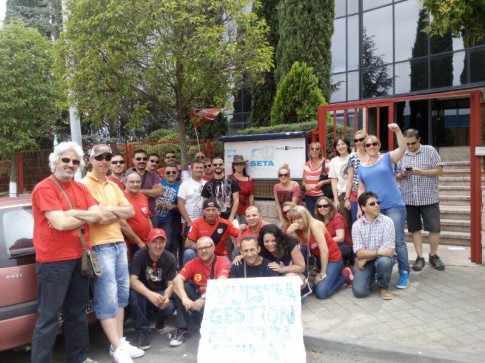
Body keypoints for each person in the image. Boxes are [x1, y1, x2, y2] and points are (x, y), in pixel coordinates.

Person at [31, 141, 102, 363]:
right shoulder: (45, 188)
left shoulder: (80, 187)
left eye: (75, 161)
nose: (70, 165)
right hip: (53, 262)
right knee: (49, 318)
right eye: (66, 160)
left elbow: (98, 215)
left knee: (77, 313)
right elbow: (59, 224)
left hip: (79, 259)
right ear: (55, 161)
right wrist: (82, 216)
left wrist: (71, 213)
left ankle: (78, 358)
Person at [83, 144, 143, 362]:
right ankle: (117, 347)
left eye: (108, 157)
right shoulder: (83, 185)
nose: (105, 161)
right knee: (106, 297)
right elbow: (96, 217)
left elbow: (130, 211)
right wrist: (112, 213)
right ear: (91, 159)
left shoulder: (114, 185)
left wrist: (108, 211)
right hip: (99, 246)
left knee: (120, 296)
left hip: (118, 243)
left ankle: (118, 342)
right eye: (100, 157)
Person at [357, 123, 411, 289]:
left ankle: (404, 272)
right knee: (377, 241)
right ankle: (382, 269)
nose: (371, 146)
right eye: (368, 144)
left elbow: (402, 149)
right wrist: (360, 207)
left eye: (374, 144)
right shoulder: (361, 167)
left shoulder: (387, 158)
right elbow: (361, 188)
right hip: (374, 209)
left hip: (394, 205)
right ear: (364, 148)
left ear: (379, 146)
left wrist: (397, 131)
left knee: (398, 240)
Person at [397, 128, 445, 271]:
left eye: (413, 143)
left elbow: (440, 171)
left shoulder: (429, 150)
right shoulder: (401, 153)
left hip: (429, 198)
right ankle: (420, 257)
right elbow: (395, 175)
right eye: (407, 144)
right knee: (414, 229)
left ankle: (434, 255)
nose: (410, 146)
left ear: (419, 140)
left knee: (434, 228)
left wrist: (421, 172)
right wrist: (403, 174)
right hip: (409, 199)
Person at [171, 237, 230, 347]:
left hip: (215, 303)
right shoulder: (193, 263)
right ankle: (182, 328)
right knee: (181, 287)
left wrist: (203, 298)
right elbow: (177, 280)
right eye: (200, 248)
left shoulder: (222, 261)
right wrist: (185, 299)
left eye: (206, 247)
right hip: (198, 303)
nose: (203, 251)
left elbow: (221, 283)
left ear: (213, 247)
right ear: (196, 250)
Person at [129, 229, 176, 350]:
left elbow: (172, 284)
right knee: (133, 296)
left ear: (165, 243)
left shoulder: (170, 258)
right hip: (143, 292)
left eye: (161, 242)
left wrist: (166, 296)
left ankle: (161, 319)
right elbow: (132, 280)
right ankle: (143, 331)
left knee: (170, 305)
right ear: (148, 243)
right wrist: (149, 294)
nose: (158, 246)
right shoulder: (140, 255)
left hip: (160, 292)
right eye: (154, 242)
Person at [286, 206, 347, 299]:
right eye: (293, 219)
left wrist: (322, 274)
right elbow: (294, 249)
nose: (296, 222)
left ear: (305, 216)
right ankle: (332, 276)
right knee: (313, 287)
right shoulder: (297, 230)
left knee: (321, 293)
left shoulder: (314, 225)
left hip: (333, 259)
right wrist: (289, 232)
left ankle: (345, 275)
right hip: (317, 260)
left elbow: (324, 251)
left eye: (299, 218)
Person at [352, 192, 395, 300]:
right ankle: (371, 277)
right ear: (363, 208)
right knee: (359, 292)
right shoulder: (356, 226)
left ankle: (384, 287)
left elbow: (388, 251)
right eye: (372, 203)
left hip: (381, 259)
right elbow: (359, 252)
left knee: (384, 261)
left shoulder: (387, 222)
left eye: (378, 202)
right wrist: (377, 253)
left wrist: (365, 258)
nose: (377, 205)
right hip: (367, 259)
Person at [183, 198, 239, 264]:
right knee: (188, 253)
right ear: (203, 211)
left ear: (218, 211)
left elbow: (240, 234)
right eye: (208, 210)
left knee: (230, 267)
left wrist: (245, 227)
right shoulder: (197, 223)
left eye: (213, 210)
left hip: (220, 256)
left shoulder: (225, 223)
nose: (211, 213)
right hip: (202, 255)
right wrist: (204, 248)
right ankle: (188, 273)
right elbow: (187, 243)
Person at [120, 169, 152, 261]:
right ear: (125, 182)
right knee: (134, 271)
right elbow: (123, 225)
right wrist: (139, 242)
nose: (135, 184)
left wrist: (152, 237)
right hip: (132, 243)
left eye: (138, 182)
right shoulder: (121, 198)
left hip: (147, 242)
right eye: (132, 182)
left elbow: (147, 218)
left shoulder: (142, 196)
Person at [314, 196, 354, 267]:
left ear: (330, 207)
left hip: (343, 246)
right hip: (329, 245)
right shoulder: (319, 219)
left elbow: (340, 238)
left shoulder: (337, 217)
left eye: (325, 206)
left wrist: (322, 242)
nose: (322, 208)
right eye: (319, 206)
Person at [201, 156, 240, 221]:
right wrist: (208, 217)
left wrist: (231, 217)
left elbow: (236, 200)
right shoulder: (208, 185)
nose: (218, 166)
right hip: (213, 220)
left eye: (220, 164)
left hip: (230, 218)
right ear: (212, 166)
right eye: (215, 165)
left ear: (224, 165)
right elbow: (204, 203)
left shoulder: (232, 181)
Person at [132, 149, 164, 226]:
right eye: (138, 159)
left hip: (151, 216)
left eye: (144, 159)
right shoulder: (129, 174)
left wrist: (138, 191)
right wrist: (151, 192)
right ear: (133, 160)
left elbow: (160, 192)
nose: (142, 161)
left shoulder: (154, 175)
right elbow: (128, 193)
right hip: (133, 216)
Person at [177, 158, 206, 239]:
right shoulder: (185, 184)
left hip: (204, 222)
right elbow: (180, 204)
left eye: (201, 167)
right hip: (190, 222)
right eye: (196, 168)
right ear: (192, 169)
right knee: (189, 249)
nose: (199, 170)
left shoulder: (207, 184)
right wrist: (188, 221)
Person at [344, 130, 368, 224]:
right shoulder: (353, 158)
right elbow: (350, 180)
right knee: (357, 222)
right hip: (355, 194)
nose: (358, 142)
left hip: (371, 192)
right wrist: (346, 198)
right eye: (356, 140)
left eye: (361, 139)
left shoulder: (373, 155)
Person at [156, 162, 180, 254]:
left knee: (167, 244)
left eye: (173, 172)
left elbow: (183, 205)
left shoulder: (180, 187)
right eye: (168, 172)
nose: (171, 174)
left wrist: (174, 206)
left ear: (177, 173)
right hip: (154, 219)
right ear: (164, 174)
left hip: (167, 220)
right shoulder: (158, 183)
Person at [302, 142, 331, 217]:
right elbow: (303, 181)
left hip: (321, 196)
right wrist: (305, 185)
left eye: (317, 149)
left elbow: (334, 179)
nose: (314, 150)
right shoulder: (306, 165)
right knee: (312, 217)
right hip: (309, 196)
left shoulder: (327, 163)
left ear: (320, 151)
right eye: (312, 149)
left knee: (323, 217)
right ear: (309, 151)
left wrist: (323, 182)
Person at [329, 137, 352, 228]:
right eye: (338, 145)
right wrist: (336, 199)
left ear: (347, 145)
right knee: (345, 222)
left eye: (343, 144)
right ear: (335, 148)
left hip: (355, 193)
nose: (340, 147)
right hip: (342, 194)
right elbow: (334, 180)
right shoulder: (334, 161)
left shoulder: (354, 156)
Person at [230, 155, 255, 224]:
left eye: (241, 164)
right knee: (235, 230)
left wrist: (252, 210)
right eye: (237, 164)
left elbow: (251, 197)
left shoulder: (249, 179)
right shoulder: (229, 178)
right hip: (233, 210)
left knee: (245, 230)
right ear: (234, 166)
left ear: (244, 165)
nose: (239, 166)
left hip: (245, 210)